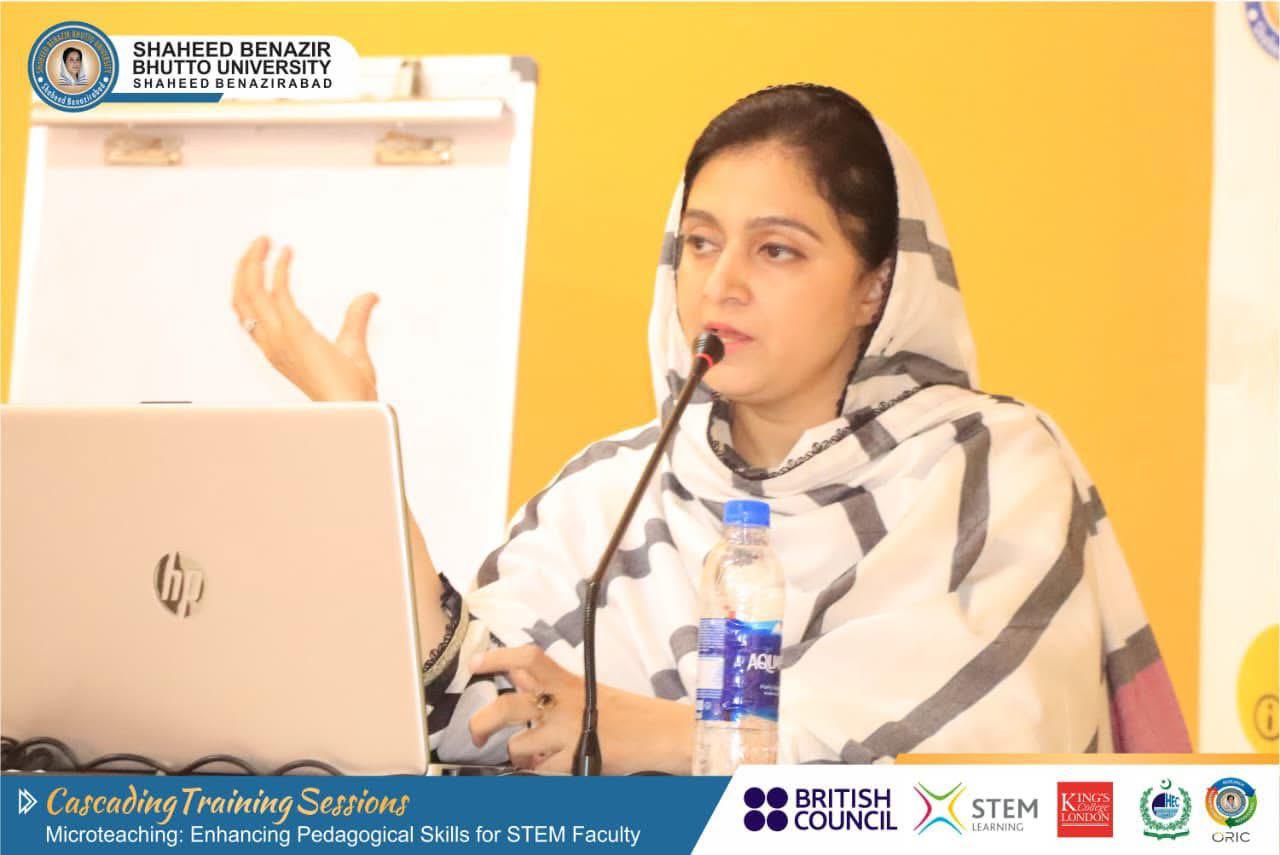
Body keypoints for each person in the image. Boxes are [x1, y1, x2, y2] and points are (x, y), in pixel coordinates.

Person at [230, 84, 1191, 773]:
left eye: (777, 250)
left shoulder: (989, 467)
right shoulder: (610, 492)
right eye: (699, 243)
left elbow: (970, 761)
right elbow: (471, 712)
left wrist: (658, 733)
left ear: (877, 287)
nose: (720, 284)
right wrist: (359, 441)